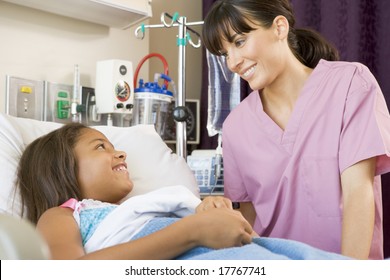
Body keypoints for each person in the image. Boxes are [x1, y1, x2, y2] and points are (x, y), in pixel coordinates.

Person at [201, 0, 390, 260]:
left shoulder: (351, 85)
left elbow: (359, 193)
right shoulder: (235, 126)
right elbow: (247, 220)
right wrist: (218, 212)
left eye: (239, 41)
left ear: (279, 27)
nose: (233, 62)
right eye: (224, 53)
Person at [16, 123, 348, 260]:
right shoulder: (63, 214)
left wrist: (206, 211)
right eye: (101, 147)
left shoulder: (134, 208)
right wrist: (191, 231)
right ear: (61, 168)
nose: (120, 154)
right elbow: (63, 274)